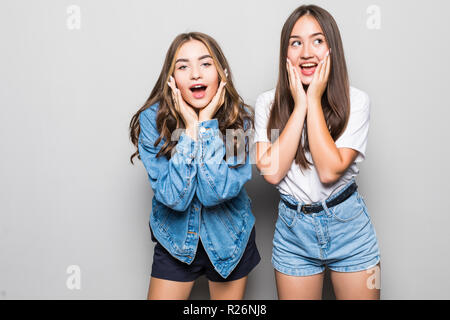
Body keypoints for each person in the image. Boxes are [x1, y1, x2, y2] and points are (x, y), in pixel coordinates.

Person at [254, 5, 381, 300]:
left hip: (349, 229)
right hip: (293, 233)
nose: (306, 52)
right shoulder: (266, 104)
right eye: (295, 42)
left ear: (332, 49)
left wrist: (313, 98)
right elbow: (271, 172)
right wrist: (300, 105)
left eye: (317, 40)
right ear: (285, 53)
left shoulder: (357, 101)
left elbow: (328, 169)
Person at [129, 32, 260, 300]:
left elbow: (217, 193)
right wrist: (190, 130)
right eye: (183, 66)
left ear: (221, 74)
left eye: (205, 64)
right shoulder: (151, 121)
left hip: (230, 240)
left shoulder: (239, 124)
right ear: (172, 79)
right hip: (174, 240)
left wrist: (205, 125)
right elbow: (174, 198)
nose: (195, 74)